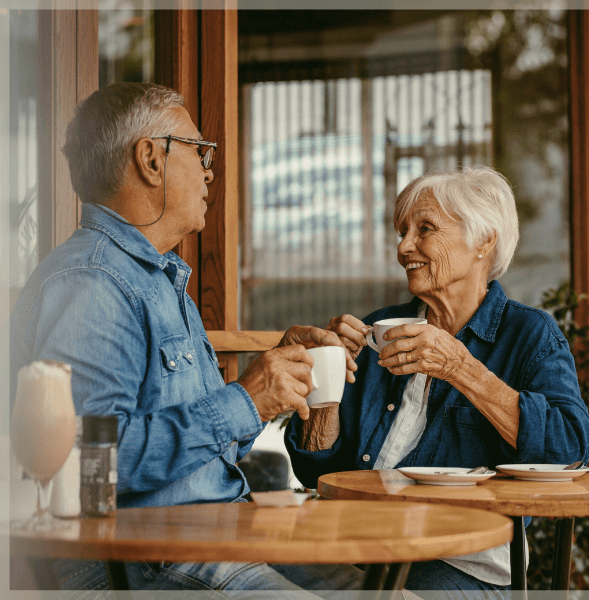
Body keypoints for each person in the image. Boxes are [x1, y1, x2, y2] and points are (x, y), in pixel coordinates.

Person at [9, 82, 361, 593]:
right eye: (200, 150)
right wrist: (245, 399)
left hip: (213, 538)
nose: (209, 168)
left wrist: (268, 385)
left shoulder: (156, 277)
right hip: (142, 560)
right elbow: (93, 469)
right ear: (151, 160)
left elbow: (196, 449)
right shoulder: (92, 284)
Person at [284, 166, 589, 596]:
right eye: (402, 231)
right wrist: (326, 383)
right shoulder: (378, 330)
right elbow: (318, 472)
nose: (404, 246)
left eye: (424, 229)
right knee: (249, 575)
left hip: (462, 565)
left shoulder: (528, 335)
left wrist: (461, 368)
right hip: (360, 546)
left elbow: (569, 450)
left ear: (483, 241)